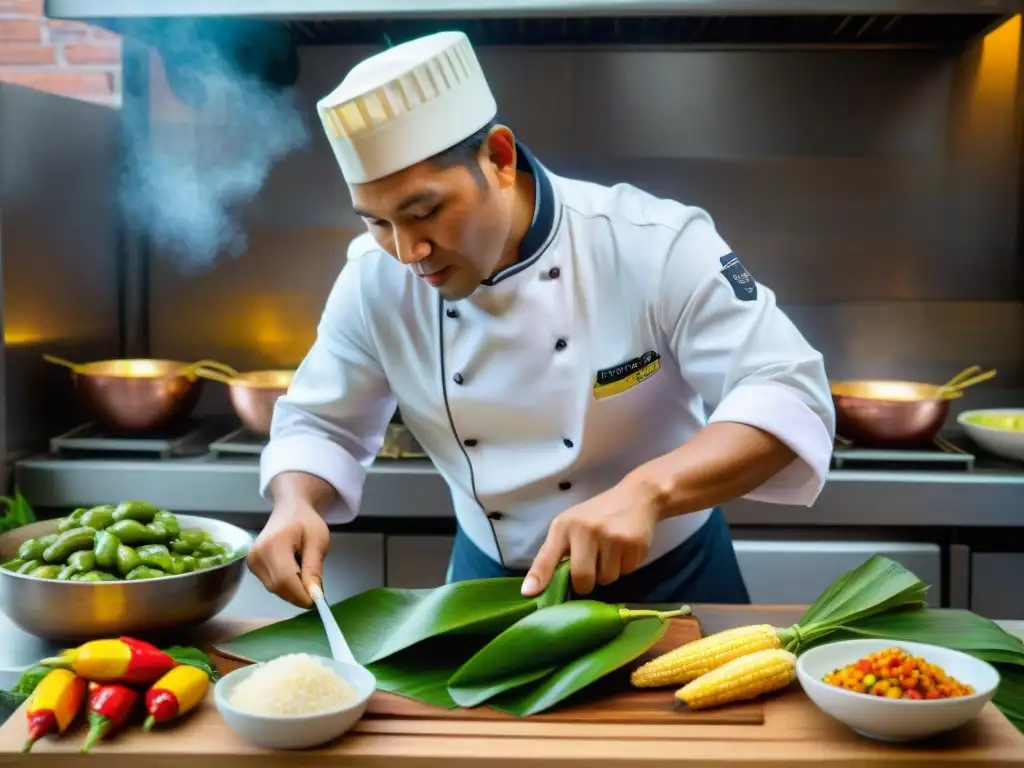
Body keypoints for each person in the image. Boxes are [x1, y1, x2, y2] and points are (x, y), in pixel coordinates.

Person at [246, 30, 836, 610]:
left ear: (499, 158)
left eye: (423, 212)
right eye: (375, 222)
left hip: (672, 583)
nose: (406, 251)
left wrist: (648, 492)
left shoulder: (652, 243)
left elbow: (787, 392)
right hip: (488, 591)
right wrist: (295, 502)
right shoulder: (374, 280)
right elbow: (320, 425)